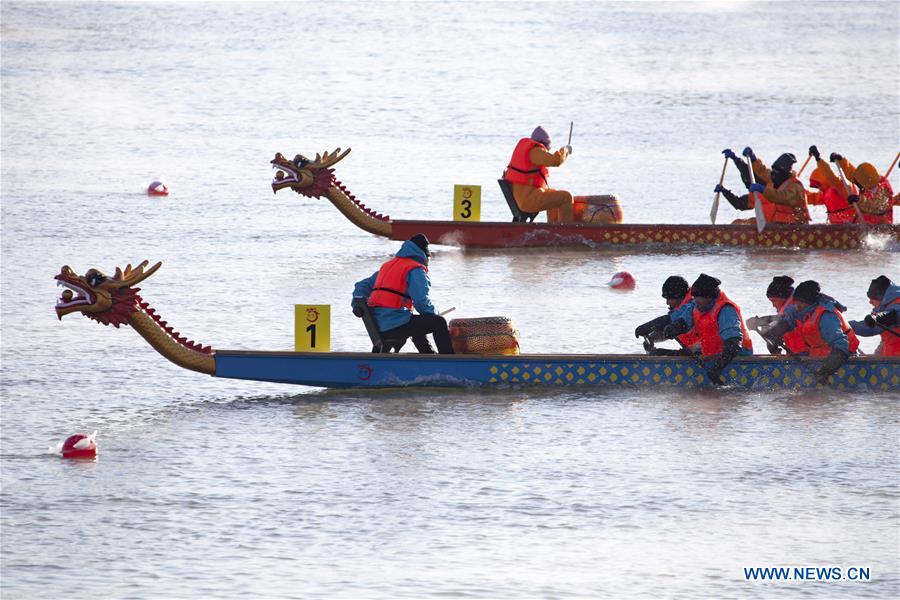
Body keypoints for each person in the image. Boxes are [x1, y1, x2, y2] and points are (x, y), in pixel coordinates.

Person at [351, 234, 454, 354]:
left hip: (377, 324)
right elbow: (421, 302)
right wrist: (435, 315)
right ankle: (448, 361)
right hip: (394, 325)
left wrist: (356, 305)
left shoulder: (389, 266)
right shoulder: (415, 269)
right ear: (424, 255)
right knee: (438, 322)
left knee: (418, 322)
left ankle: (428, 355)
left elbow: (361, 286)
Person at [660, 274, 753, 382]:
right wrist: (674, 328)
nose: (695, 302)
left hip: (738, 359)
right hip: (713, 356)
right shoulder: (697, 305)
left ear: (709, 297)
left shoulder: (726, 310)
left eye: (697, 300)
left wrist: (718, 367)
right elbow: (684, 322)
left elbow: (734, 343)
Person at [764, 280, 860, 384]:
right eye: (795, 304)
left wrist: (825, 371)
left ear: (809, 304)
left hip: (842, 361)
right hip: (818, 358)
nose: (796, 308)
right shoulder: (801, 309)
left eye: (799, 305)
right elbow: (788, 321)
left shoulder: (826, 317)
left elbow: (841, 346)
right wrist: (773, 334)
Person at [714, 148, 810, 224]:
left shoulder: (795, 187)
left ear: (785, 173)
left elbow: (782, 197)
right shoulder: (770, 183)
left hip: (794, 226)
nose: (773, 174)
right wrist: (740, 160)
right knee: (737, 223)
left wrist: (763, 189)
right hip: (771, 224)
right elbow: (759, 172)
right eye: (773, 171)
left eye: (776, 172)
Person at [503, 126, 574, 223]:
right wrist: (565, 150)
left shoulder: (527, 149)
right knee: (566, 197)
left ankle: (553, 229)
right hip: (527, 200)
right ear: (543, 143)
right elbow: (556, 161)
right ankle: (566, 233)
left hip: (525, 196)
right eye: (548, 147)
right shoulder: (535, 151)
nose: (548, 150)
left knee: (553, 193)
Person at [633, 275, 700, 355]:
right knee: (657, 353)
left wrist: (650, 326)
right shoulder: (677, 308)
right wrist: (651, 339)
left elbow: (669, 320)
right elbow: (667, 330)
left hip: (704, 353)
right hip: (691, 352)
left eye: (670, 298)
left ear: (680, 296)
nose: (667, 302)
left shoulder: (693, 305)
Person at [745, 276, 809, 354]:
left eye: (773, 300)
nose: (773, 305)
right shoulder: (789, 307)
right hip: (797, 355)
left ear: (783, 297)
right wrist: (772, 345)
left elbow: (783, 320)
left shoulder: (795, 308)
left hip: (806, 356)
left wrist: (759, 321)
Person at [829, 152, 894, 224]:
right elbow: (853, 174)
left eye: (859, 184)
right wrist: (841, 161)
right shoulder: (870, 178)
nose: (857, 185)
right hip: (863, 224)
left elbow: (877, 207)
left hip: (880, 228)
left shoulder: (884, 190)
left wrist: (859, 200)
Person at [805, 145, 857, 224]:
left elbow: (829, 175)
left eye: (818, 185)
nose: (818, 188)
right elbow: (812, 198)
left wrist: (818, 159)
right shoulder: (826, 193)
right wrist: (798, 192)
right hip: (837, 227)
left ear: (824, 180)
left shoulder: (840, 185)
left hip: (852, 224)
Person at [849, 275, 900, 356]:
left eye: (872, 298)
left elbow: (873, 328)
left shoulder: (896, 307)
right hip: (889, 355)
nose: (870, 302)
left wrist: (847, 327)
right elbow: (884, 342)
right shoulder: (884, 306)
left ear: (882, 297)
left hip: (895, 361)